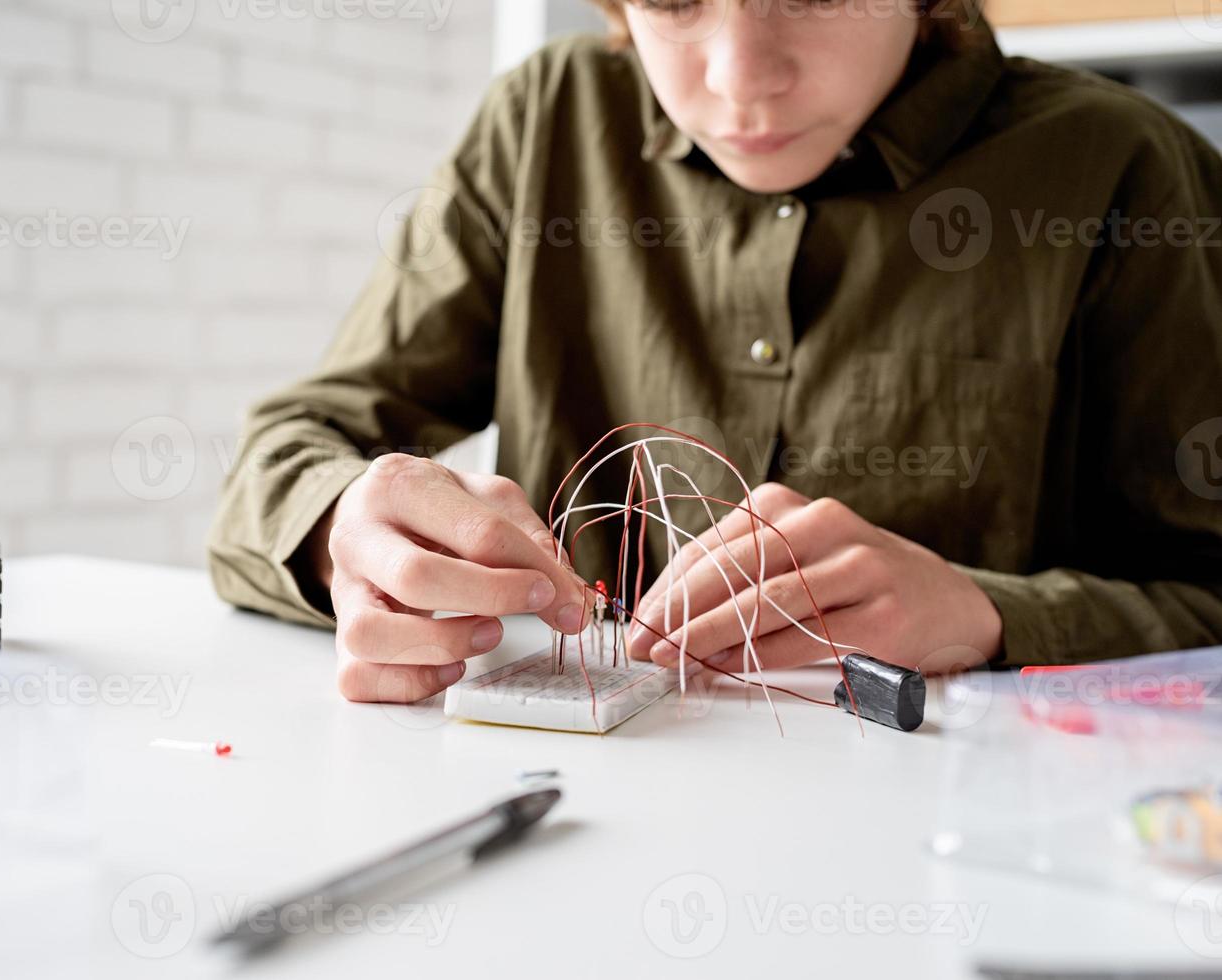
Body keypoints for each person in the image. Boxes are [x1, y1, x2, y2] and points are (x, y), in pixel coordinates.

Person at [207, 0, 1222, 703]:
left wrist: (992, 617)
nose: (740, 80)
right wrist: (345, 527)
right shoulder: (541, 122)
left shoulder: (1125, 171)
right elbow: (290, 452)